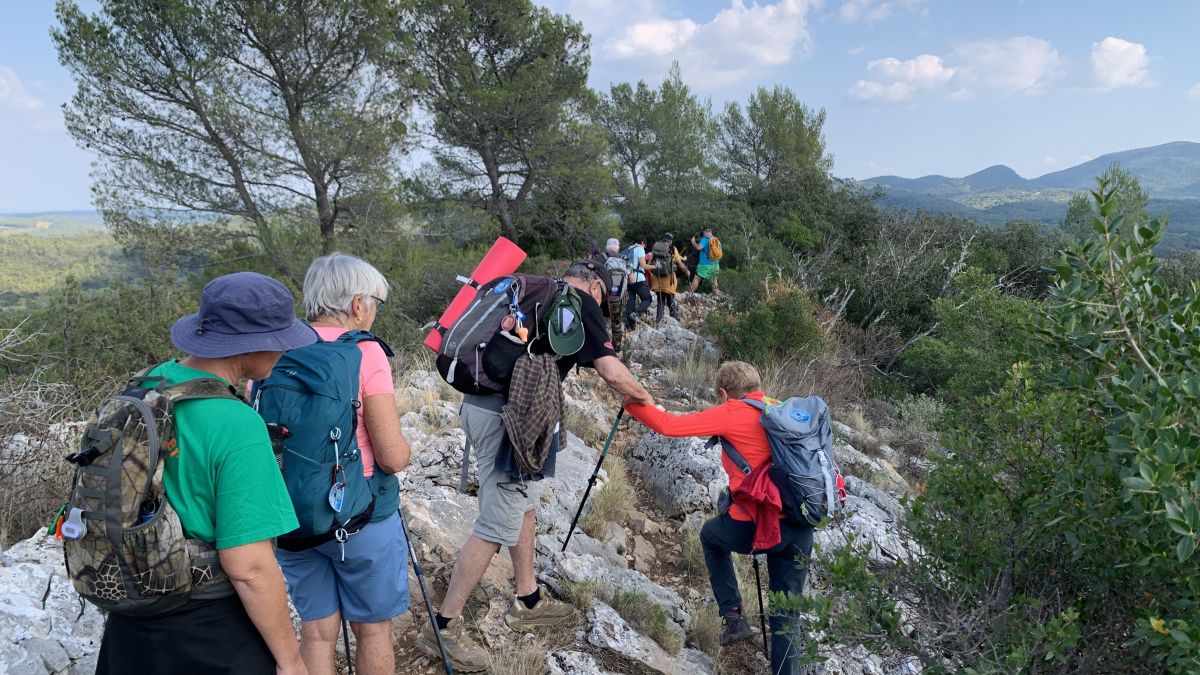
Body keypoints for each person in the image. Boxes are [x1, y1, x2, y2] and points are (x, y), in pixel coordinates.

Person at [417, 261, 656, 672]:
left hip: (491, 410)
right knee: (495, 527)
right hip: (511, 420)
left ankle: (527, 599)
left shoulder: (535, 297)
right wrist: (650, 403)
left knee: (524, 504)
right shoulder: (581, 303)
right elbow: (612, 372)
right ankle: (442, 628)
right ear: (596, 285)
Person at [96, 272, 316, 675]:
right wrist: (291, 661)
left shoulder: (149, 385)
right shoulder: (236, 423)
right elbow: (248, 566)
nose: (285, 351)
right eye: (280, 339)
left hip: (130, 626)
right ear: (252, 343)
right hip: (209, 632)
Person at [623, 361, 813, 675]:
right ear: (757, 385)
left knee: (711, 537)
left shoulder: (732, 411)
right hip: (801, 523)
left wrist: (632, 405)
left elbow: (670, 426)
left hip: (756, 525)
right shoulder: (781, 409)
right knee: (786, 615)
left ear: (724, 393)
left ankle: (734, 616)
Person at [275, 253, 412, 675]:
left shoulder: (275, 350)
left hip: (292, 515)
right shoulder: (366, 354)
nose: (374, 312)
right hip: (361, 513)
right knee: (372, 631)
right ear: (357, 304)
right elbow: (391, 456)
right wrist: (406, 453)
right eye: (375, 303)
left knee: (316, 633)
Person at [647, 233, 690, 323]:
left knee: (660, 300)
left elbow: (650, 262)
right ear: (670, 241)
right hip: (668, 280)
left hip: (657, 278)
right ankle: (674, 317)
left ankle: (659, 319)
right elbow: (680, 264)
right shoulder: (672, 249)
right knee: (670, 298)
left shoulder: (655, 248)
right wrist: (687, 272)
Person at [624, 234, 653, 330]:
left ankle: (629, 326)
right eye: (645, 246)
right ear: (643, 243)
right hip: (638, 279)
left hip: (628, 279)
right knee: (647, 298)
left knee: (630, 303)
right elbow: (643, 265)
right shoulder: (640, 249)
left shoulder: (628, 249)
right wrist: (655, 266)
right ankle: (636, 313)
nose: (644, 248)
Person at [688, 226, 720, 296]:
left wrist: (693, 242)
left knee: (697, 278)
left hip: (705, 264)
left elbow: (698, 248)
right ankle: (717, 296)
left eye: (707, 231)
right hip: (715, 264)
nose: (707, 232)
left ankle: (690, 294)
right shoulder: (716, 239)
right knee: (714, 280)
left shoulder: (705, 239)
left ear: (703, 232)